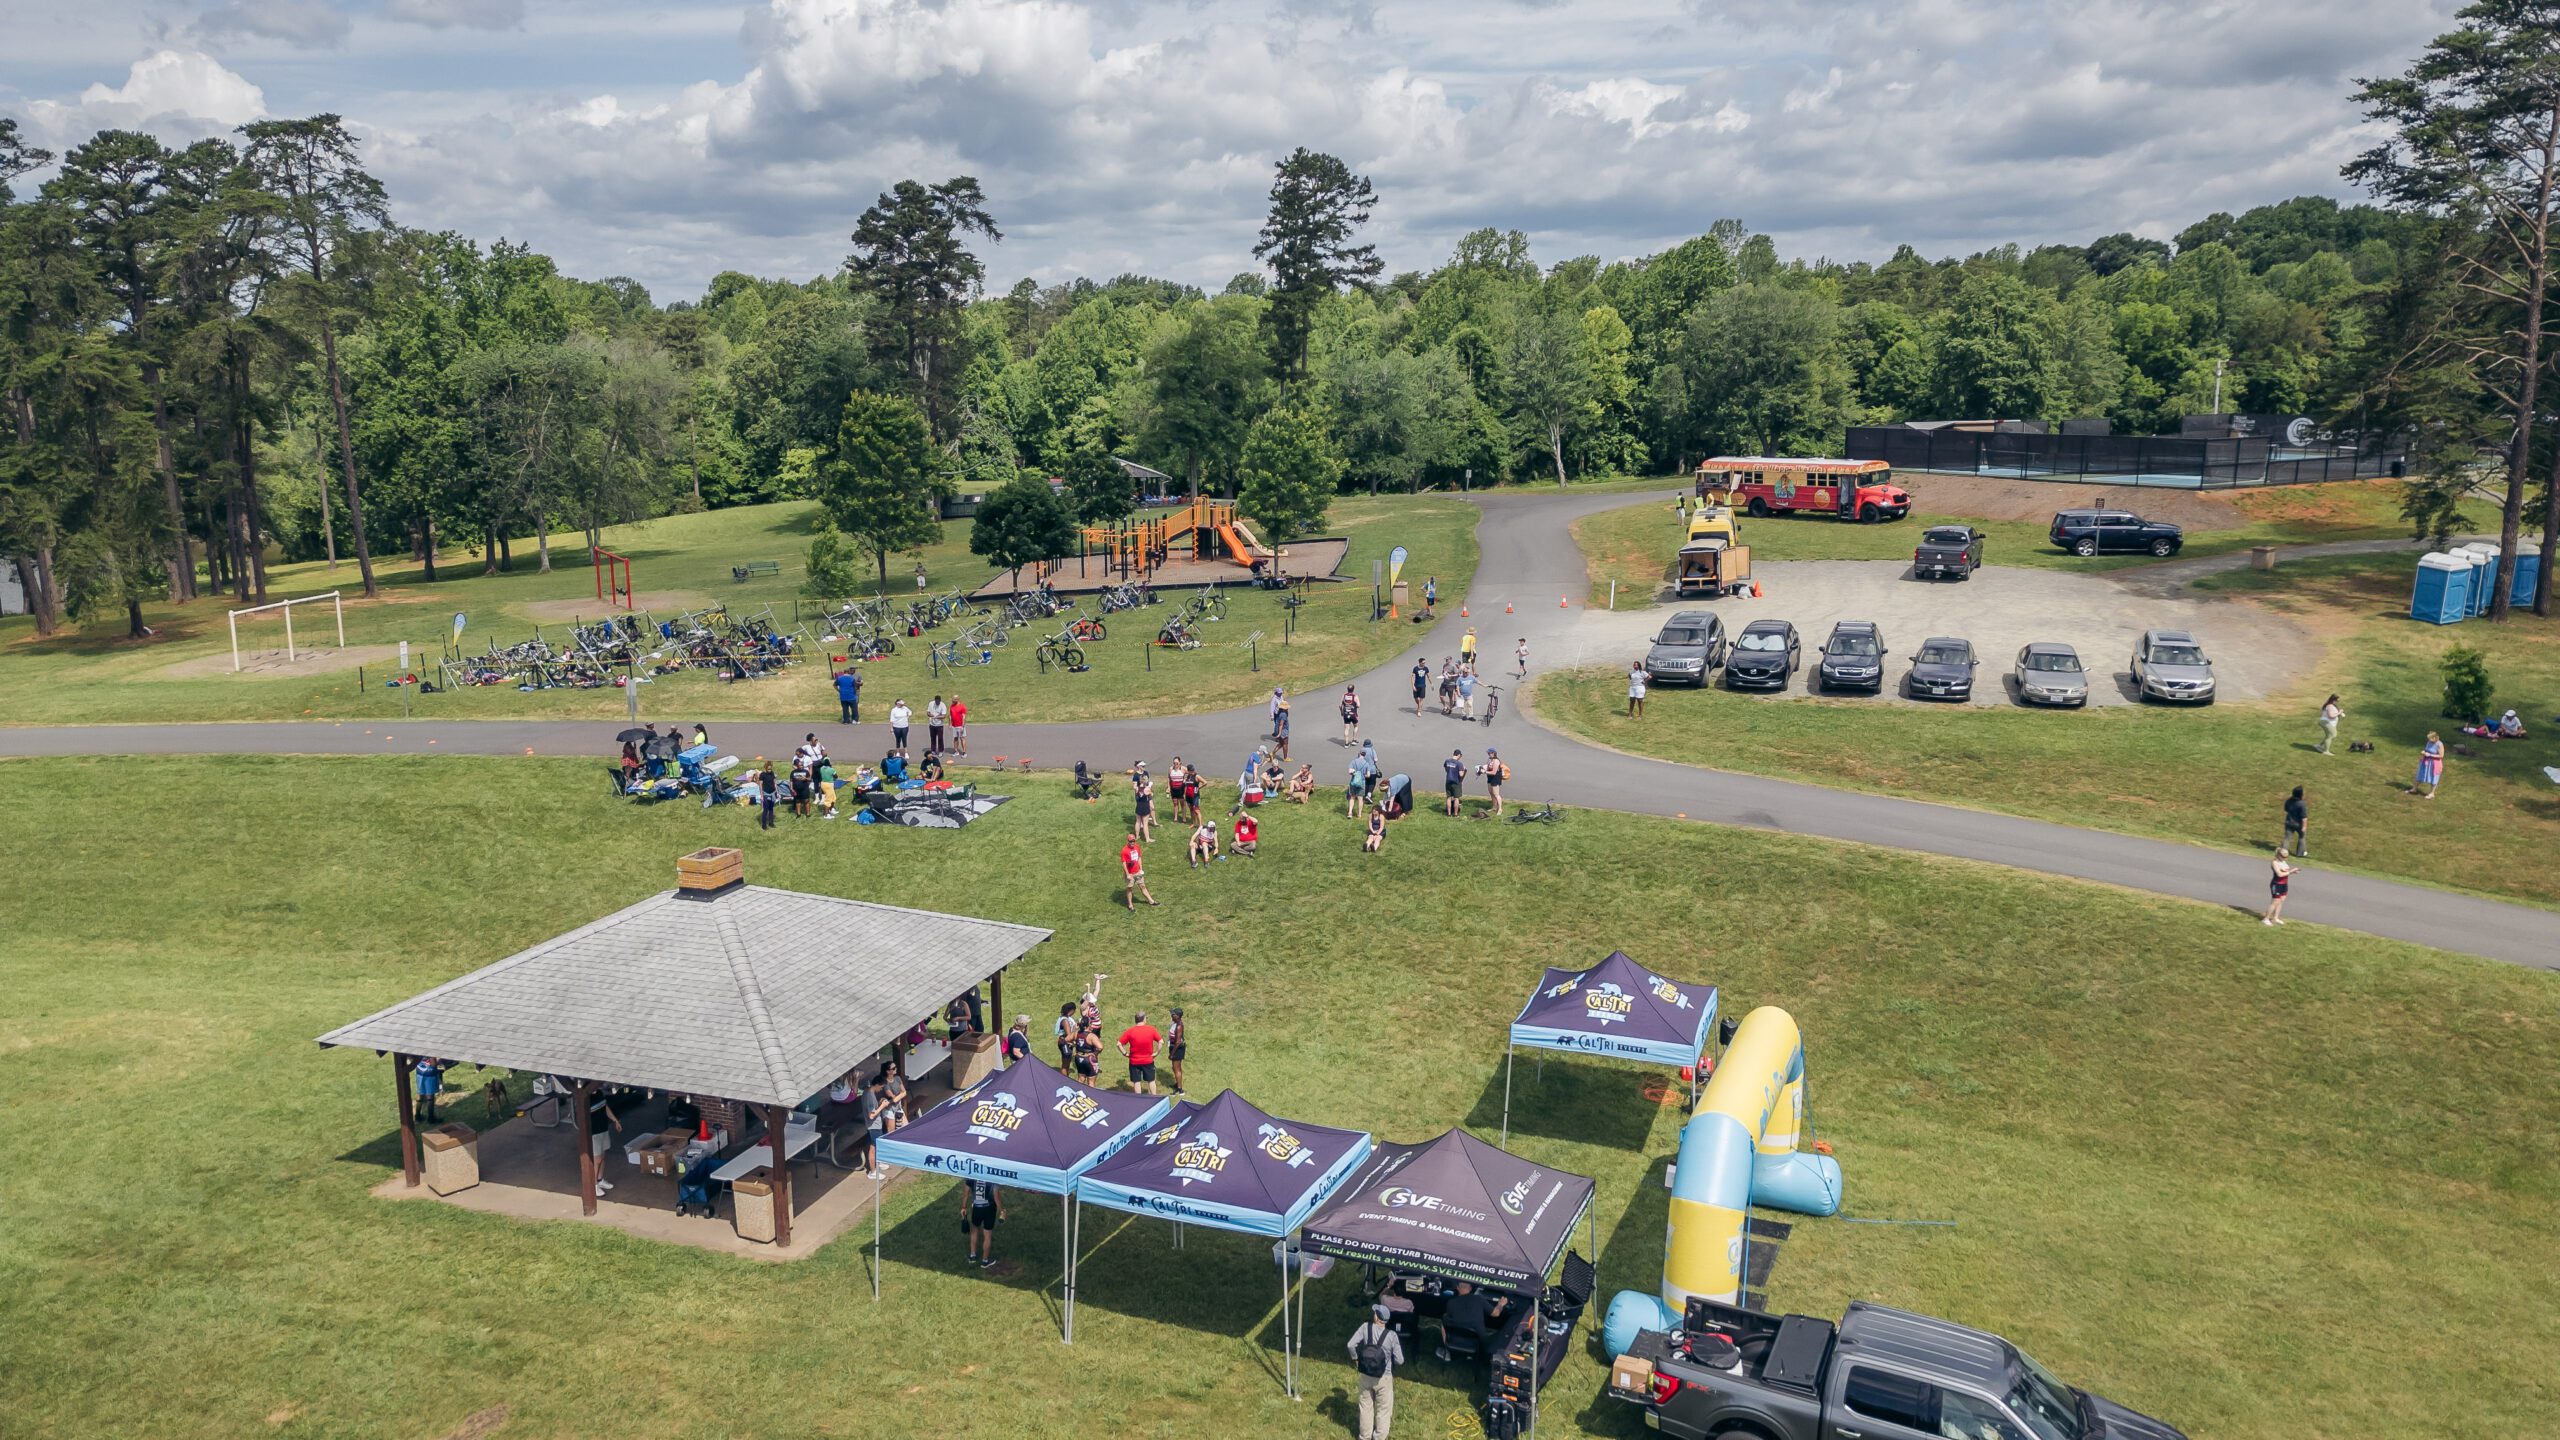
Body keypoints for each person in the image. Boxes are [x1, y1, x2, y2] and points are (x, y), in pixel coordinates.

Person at [1349, 1303, 1405, 1440]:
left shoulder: (1364, 1327)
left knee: (1365, 1407)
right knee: (1383, 1411)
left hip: (1365, 1375)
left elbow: (1350, 1344)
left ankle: (1364, 1437)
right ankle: (1379, 1437)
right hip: (1384, 1378)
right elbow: (1400, 1360)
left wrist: (1356, 1359)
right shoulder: (1392, 1336)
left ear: (1376, 1316)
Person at [1437, 1280, 1509, 1361]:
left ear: (1457, 1288)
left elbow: (1448, 1317)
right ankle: (1484, 1356)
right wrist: (1500, 1304)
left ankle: (1447, 1351)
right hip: (1478, 1341)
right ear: (1471, 1288)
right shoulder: (1479, 1299)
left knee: (1444, 1319)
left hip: (1456, 1339)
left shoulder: (1450, 1302)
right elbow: (1496, 1313)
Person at [586, 1084, 622, 1194]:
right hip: (593, 1133)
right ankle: (594, 1185)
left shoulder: (599, 1093)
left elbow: (605, 1107)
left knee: (603, 1157)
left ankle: (600, 1180)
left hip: (603, 1129)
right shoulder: (585, 1098)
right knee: (597, 1159)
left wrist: (615, 1120)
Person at [963, 1176, 1005, 1267]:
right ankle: (985, 1261)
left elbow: (966, 1194)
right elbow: (997, 1198)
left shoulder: (971, 1177)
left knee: (974, 1231)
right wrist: (1002, 1210)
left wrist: (963, 1207)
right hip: (989, 1209)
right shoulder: (992, 1179)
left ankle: (972, 1256)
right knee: (987, 1234)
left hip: (977, 1209)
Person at [1118, 1011, 1163, 1094]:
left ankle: (1139, 1099)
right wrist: (1157, 1052)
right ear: (1144, 1019)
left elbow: (1119, 1044)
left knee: (1136, 1082)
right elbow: (1161, 1042)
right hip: (1148, 1060)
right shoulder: (1151, 1029)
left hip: (1134, 1061)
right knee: (1151, 1080)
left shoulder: (1130, 1031)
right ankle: (1154, 1098)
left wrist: (1125, 1054)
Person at [1121, 833, 1159, 910]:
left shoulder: (1137, 847)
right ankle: (1130, 905)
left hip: (1138, 872)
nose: (1132, 842)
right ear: (1128, 841)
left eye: (1133, 841)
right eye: (1130, 841)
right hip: (1130, 874)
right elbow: (1124, 863)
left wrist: (1141, 869)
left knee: (1142, 886)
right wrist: (1127, 874)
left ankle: (1151, 901)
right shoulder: (1124, 850)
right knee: (1129, 888)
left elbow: (1139, 858)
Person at [2263, 853, 2294, 926]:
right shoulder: (2275, 862)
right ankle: (2266, 919)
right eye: (2284, 856)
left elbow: (2285, 872)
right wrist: (2290, 872)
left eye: (2287, 856)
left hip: (2284, 884)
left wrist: (2291, 872)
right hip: (2277, 884)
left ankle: (2275, 918)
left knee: (2281, 901)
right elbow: (2279, 874)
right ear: (2279, 855)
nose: (2286, 858)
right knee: (2275, 902)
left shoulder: (2283, 862)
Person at [2412, 732, 2444, 798]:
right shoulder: (2429, 742)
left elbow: (2441, 756)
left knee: (2433, 778)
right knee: (2420, 774)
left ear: (2435, 737)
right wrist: (2424, 752)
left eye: (2430, 738)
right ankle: (2414, 789)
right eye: (2428, 738)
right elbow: (2426, 749)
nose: (2429, 740)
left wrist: (2430, 755)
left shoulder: (2439, 744)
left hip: (2435, 764)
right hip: (2426, 761)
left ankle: (2432, 793)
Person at [414, 1057, 446, 1123]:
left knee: (420, 1094)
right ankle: (431, 1118)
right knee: (430, 1097)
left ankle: (417, 1116)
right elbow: (436, 1065)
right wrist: (440, 1063)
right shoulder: (432, 1054)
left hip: (420, 1073)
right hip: (429, 1075)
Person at [1133, 765, 1158, 843]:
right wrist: (1150, 785)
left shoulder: (1137, 788)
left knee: (1138, 821)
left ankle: (1137, 836)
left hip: (1138, 806)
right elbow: (1151, 794)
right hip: (1145, 806)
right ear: (1145, 781)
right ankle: (1147, 839)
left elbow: (1137, 789)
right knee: (1145, 823)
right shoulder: (1147, 789)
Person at [1480, 748, 1507, 817]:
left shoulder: (1496, 761)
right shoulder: (1490, 760)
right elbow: (1488, 767)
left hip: (1495, 778)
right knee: (1491, 792)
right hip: (1489, 777)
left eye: (1490, 753)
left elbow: (1494, 772)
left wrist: (1484, 772)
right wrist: (1482, 768)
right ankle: (1494, 807)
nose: (1489, 754)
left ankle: (1500, 809)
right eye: (1488, 753)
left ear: (1494, 753)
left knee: (1496, 794)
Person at [2282, 786, 2308, 858]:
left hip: (2289, 822)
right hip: (2299, 824)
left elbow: (2286, 809)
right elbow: (2304, 818)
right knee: (2302, 837)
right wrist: (2304, 827)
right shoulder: (2302, 804)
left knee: (2287, 838)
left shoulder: (2289, 800)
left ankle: (2283, 852)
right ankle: (2300, 853)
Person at [1443, 748, 1467, 816]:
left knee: (1448, 797)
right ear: (1458, 755)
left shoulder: (1447, 761)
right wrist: (1463, 770)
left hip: (1448, 781)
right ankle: (1456, 814)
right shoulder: (1459, 764)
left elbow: (1446, 769)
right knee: (1456, 798)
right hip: (1456, 782)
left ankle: (1449, 813)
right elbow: (1461, 774)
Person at [757, 766, 778, 830]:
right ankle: (764, 825)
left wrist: (777, 792)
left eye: (770, 769)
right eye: (768, 769)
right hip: (765, 794)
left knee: (771, 809)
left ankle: (771, 822)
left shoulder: (772, 774)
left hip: (772, 793)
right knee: (765, 809)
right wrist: (761, 795)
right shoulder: (762, 775)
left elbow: (774, 783)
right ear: (765, 768)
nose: (770, 770)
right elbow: (760, 785)